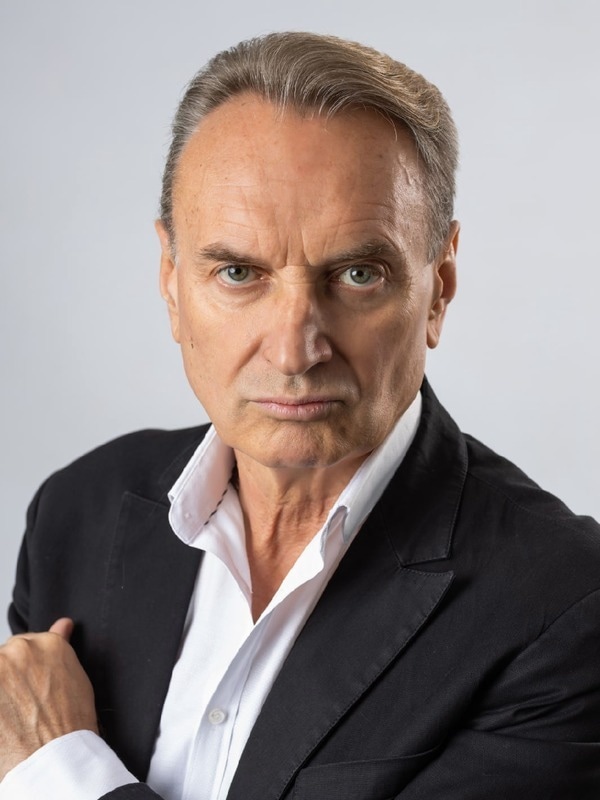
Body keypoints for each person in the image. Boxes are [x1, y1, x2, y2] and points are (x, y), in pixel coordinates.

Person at [1, 31, 599, 800]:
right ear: (171, 280)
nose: (294, 350)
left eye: (357, 274)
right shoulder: (76, 513)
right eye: (238, 272)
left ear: (439, 288)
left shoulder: (563, 607)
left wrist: (58, 770)